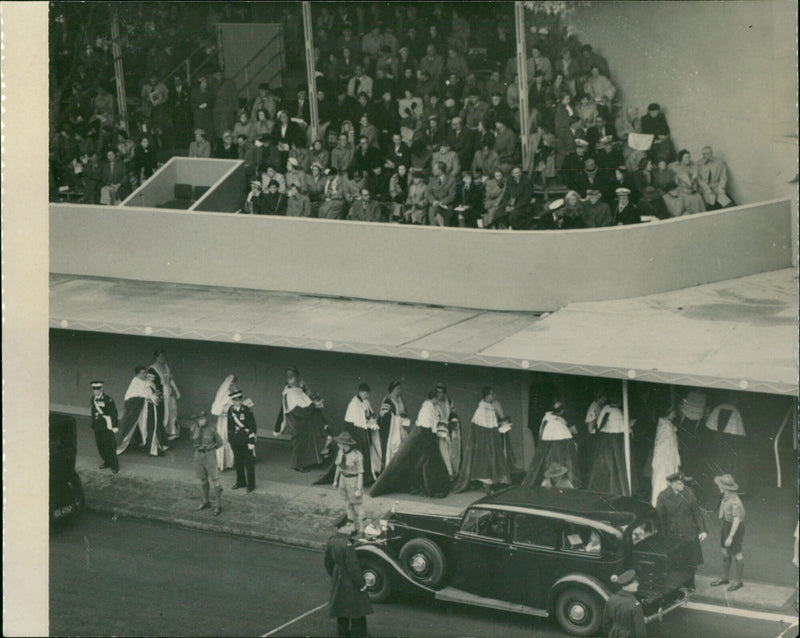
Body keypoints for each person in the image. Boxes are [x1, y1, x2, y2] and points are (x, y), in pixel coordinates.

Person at [370, 390, 454, 499]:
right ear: (433, 399)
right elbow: (425, 427)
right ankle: (430, 488)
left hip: (427, 439)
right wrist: (432, 438)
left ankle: (434, 486)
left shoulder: (432, 407)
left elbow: (432, 425)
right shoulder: (426, 408)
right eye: (437, 399)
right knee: (408, 461)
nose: (438, 401)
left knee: (427, 463)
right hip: (421, 438)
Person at [455, 387, 514, 493]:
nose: (494, 396)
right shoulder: (481, 410)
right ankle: (486, 486)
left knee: (495, 460)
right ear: (487, 396)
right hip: (484, 442)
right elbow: (479, 429)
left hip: (494, 439)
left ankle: (494, 484)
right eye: (492, 394)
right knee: (485, 462)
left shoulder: (493, 406)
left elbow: (497, 421)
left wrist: (503, 422)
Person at [656, 472, 707, 589]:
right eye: (679, 483)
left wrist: (702, 530)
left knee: (691, 560)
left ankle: (690, 582)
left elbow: (697, 513)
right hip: (673, 533)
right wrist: (662, 535)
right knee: (676, 560)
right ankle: (678, 583)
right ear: (671, 484)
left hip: (689, 532)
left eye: (683, 483)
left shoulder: (689, 494)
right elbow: (659, 518)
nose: (682, 486)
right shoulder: (663, 496)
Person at [324, 519, 373, 637]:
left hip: (338, 576)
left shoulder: (332, 540)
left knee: (341, 607)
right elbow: (353, 567)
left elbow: (328, 562)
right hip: (349, 579)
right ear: (344, 527)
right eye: (350, 526)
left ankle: (343, 634)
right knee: (358, 608)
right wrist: (362, 585)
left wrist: (335, 574)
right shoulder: (347, 544)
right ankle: (359, 634)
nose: (352, 528)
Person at [278, 366, 329, 472]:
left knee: (309, 441)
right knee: (300, 444)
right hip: (296, 422)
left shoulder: (297, 390)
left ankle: (310, 462)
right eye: (293, 379)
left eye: (296, 378)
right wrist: (312, 406)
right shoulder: (290, 393)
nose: (297, 381)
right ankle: (297, 465)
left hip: (302, 420)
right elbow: (297, 410)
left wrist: (312, 403)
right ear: (290, 380)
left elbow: (305, 400)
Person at [522, 401, 580, 488]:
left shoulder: (546, 420)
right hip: (559, 450)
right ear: (561, 411)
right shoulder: (557, 422)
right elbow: (573, 434)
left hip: (548, 451)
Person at [587, 396, 635, 496]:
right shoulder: (617, 412)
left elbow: (599, 425)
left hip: (604, 439)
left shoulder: (605, 408)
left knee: (604, 466)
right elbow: (626, 430)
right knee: (615, 465)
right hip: (614, 440)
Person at [711, 473, 745, 591]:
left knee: (737, 553)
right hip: (726, 525)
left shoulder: (735, 501)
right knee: (725, 551)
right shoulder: (726, 498)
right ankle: (725, 578)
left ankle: (738, 581)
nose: (719, 487)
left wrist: (730, 536)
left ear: (726, 488)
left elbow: (736, 519)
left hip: (734, 527)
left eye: (720, 486)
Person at [344, 383, 382, 485]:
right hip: (354, 431)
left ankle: (368, 475)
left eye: (368, 394)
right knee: (360, 453)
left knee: (366, 452)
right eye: (365, 393)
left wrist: (372, 419)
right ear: (360, 392)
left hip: (362, 429)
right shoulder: (354, 403)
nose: (367, 396)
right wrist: (367, 422)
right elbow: (357, 420)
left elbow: (369, 414)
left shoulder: (365, 401)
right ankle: (361, 478)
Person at [191, 411, 223, 516]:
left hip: (210, 456)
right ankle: (206, 502)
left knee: (215, 480)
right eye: (201, 419)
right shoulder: (193, 428)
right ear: (197, 420)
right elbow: (192, 440)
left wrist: (210, 448)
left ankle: (218, 506)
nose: (203, 420)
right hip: (198, 456)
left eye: (204, 418)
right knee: (203, 479)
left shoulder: (212, 428)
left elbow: (220, 443)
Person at [332, 432, 366, 533]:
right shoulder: (340, 452)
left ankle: (362, 527)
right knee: (347, 503)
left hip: (353, 480)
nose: (338, 444)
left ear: (345, 444)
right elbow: (338, 466)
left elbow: (360, 473)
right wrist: (335, 480)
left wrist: (359, 489)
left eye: (340, 442)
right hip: (343, 479)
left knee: (357, 505)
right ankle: (351, 525)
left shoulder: (357, 455)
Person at [116, 366, 153, 454]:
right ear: (138, 374)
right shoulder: (135, 382)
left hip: (143, 407)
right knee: (130, 425)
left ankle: (143, 443)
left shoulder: (145, 381)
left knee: (143, 425)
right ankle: (120, 444)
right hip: (136, 408)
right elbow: (138, 395)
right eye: (143, 373)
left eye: (145, 373)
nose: (145, 375)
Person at [602, 570, 647, 638]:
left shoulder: (611, 599)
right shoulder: (635, 605)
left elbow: (606, 623)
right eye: (635, 582)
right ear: (629, 585)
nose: (638, 584)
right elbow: (640, 631)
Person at [650, 408, 681, 507]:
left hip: (662, 455)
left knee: (661, 476)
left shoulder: (662, 423)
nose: (675, 415)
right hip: (666, 456)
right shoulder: (667, 426)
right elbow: (672, 443)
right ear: (669, 412)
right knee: (663, 476)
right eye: (674, 412)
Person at [228, 388, 257, 492]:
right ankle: (241, 482)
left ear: (241, 400)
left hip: (245, 440)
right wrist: (230, 439)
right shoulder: (230, 410)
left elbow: (252, 427)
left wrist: (251, 441)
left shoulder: (246, 410)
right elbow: (229, 427)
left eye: (238, 400)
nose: (236, 402)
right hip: (235, 441)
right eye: (234, 400)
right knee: (238, 462)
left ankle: (251, 485)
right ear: (232, 401)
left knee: (249, 463)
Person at [149, 348, 181, 441]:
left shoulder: (166, 366)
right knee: (164, 412)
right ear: (156, 357)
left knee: (173, 410)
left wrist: (177, 391)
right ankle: (163, 433)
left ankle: (173, 431)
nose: (164, 358)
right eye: (161, 356)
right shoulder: (152, 369)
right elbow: (150, 384)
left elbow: (171, 380)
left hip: (169, 392)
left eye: (164, 356)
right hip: (161, 393)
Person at [210, 374, 239, 471]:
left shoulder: (235, 393)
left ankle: (231, 461)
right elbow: (217, 410)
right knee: (224, 438)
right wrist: (226, 411)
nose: (234, 386)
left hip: (233, 420)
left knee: (233, 439)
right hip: (225, 421)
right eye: (231, 384)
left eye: (234, 384)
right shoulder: (224, 395)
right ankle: (222, 463)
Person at [89, 380, 119, 474]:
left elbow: (113, 413)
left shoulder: (108, 399)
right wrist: (93, 424)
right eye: (94, 389)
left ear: (102, 388)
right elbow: (93, 413)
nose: (96, 391)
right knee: (100, 446)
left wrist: (115, 426)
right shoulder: (93, 399)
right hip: (97, 426)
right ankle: (107, 462)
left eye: (98, 389)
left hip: (106, 426)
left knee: (109, 446)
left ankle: (114, 465)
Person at [377, 380, 408, 468]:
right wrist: (396, 419)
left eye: (400, 389)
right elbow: (383, 415)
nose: (399, 390)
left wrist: (403, 417)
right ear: (392, 390)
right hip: (390, 429)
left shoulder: (400, 399)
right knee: (390, 448)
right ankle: (388, 467)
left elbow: (403, 412)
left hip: (399, 428)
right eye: (397, 389)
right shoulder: (388, 400)